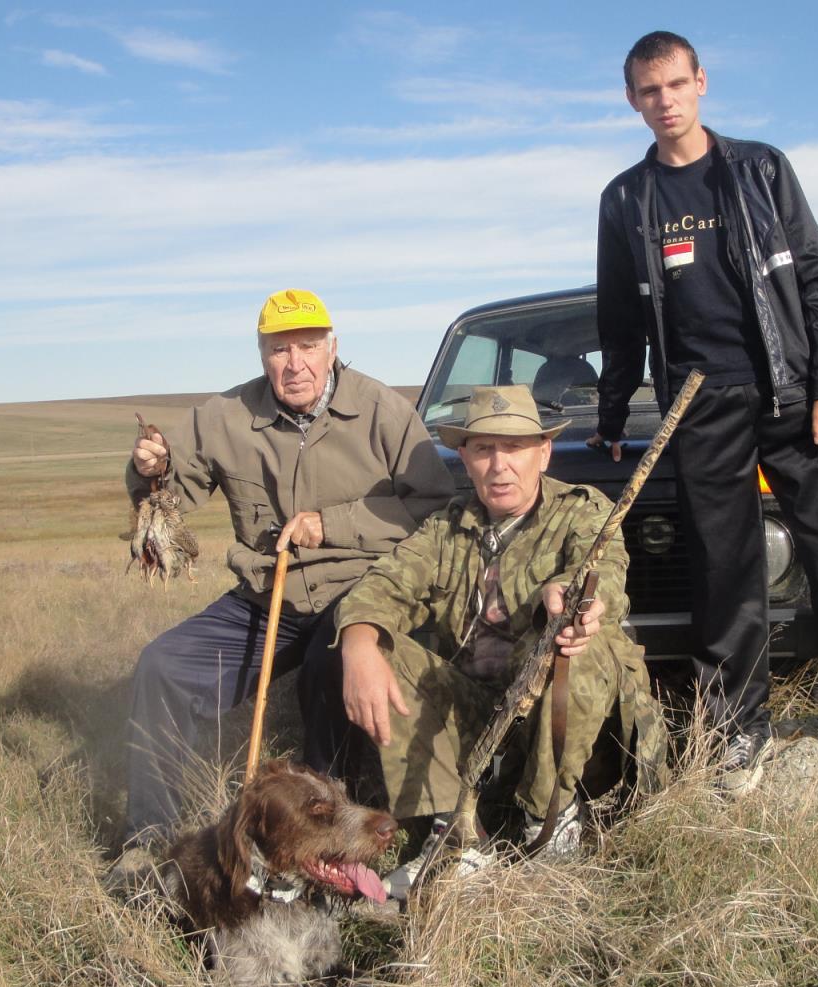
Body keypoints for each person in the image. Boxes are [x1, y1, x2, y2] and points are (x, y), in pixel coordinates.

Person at [589, 31, 818, 787]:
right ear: (632, 100)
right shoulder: (626, 199)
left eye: (676, 84)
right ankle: (739, 731)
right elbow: (618, 321)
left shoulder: (761, 169)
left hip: (793, 398)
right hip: (698, 407)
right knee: (726, 575)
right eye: (649, 90)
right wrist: (612, 416)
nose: (665, 101)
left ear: (701, 82)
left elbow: (816, 281)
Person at [112, 288, 455, 876]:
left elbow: (433, 506)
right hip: (265, 594)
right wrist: (149, 469)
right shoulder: (222, 416)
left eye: (308, 346)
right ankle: (151, 840)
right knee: (162, 666)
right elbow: (170, 495)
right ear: (262, 353)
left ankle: (326, 841)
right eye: (279, 349)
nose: (294, 363)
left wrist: (333, 524)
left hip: (357, 590)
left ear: (332, 348)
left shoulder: (383, 410)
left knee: (330, 667)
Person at [336, 385, 664, 895]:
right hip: (480, 713)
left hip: (567, 724)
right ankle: (459, 833)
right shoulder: (445, 529)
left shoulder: (582, 511)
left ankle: (549, 818)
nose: (499, 465)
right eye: (484, 449)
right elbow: (384, 586)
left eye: (514, 448)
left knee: (573, 647)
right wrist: (358, 645)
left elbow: (604, 576)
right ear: (465, 458)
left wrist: (571, 600)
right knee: (377, 645)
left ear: (543, 453)